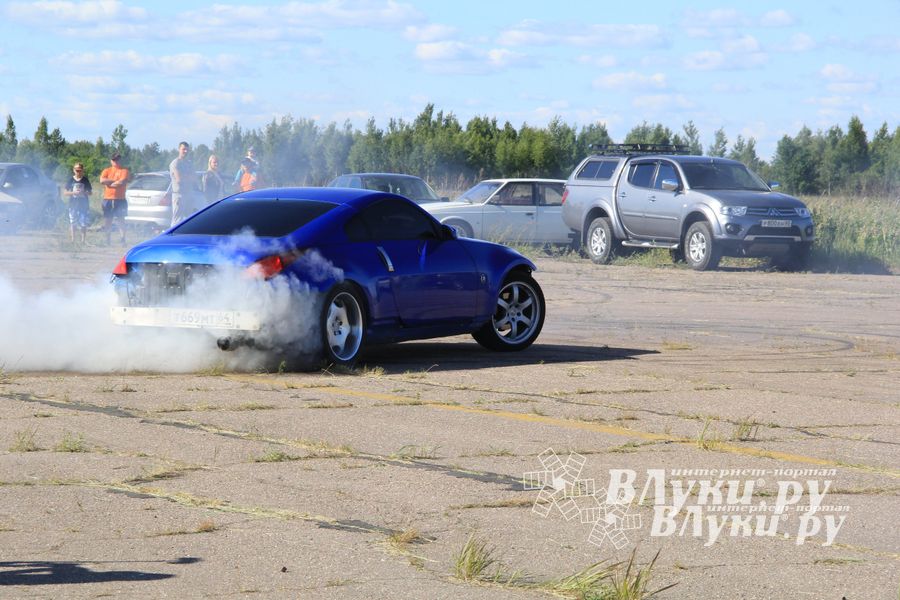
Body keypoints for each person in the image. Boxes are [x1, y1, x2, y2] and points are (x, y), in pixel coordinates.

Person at [99, 152, 130, 244]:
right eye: (114, 160)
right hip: (108, 199)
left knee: (121, 219)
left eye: (117, 159)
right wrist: (115, 181)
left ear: (120, 160)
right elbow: (102, 180)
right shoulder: (106, 170)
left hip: (120, 199)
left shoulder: (124, 171)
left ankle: (123, 239)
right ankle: (107, 239)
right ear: (111, 161)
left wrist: (110, 183)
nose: (116, 161)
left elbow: (122, 182)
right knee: (108, 219)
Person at [62, 162, 92, 243]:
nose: (78, 172)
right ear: (73, 170)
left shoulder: (85, 180)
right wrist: (73, 193)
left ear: (82, 170)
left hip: (83, 204)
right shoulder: (70, 180)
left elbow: (90, 192)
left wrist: (83, 192)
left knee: (83, 223)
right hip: (73, 204)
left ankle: (83, 241)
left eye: (80, 170)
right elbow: (65, 192)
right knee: (73, 222)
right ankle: (73, 240)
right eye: (76, 170)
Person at [169, 141, 196, 226]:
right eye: (183, 149)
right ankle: (173, 238)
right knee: (177, 220)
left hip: (189, 194)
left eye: (187, 150)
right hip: (179, 195)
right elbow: (179, 179)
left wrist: (185, 176)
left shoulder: (189, 163)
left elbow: (194, 178)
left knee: (189, 219)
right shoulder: (175, 163)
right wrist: (188, 176)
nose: (185, 151)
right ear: (179, 149)